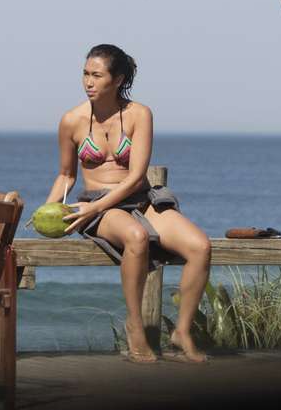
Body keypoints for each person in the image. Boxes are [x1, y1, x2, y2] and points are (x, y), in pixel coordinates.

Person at [43, 44, 211, 363]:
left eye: (96, 75)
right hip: (98, 205)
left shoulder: (139, 114)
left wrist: (94, 209)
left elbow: (135, 178)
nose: (88, 82)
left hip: (140, 197)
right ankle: (135, 326)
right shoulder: (71, 120)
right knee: (135, 237)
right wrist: (47, 211)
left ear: (117, 79)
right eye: (85, 74)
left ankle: (182, 331)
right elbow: (66, 175)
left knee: (200, 246)